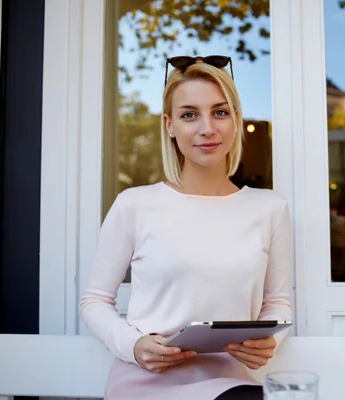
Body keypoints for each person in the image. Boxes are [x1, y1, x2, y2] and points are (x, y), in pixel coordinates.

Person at [79, 55, 292, 400]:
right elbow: (95, 301)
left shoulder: (269, 208)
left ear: (236, 120)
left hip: (232, 385)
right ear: (169, 124)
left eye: (220, 112)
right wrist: (134, 346)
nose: (207, 128)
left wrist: (270, 341)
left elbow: (277, 304)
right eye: (189, 114)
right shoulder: (134, 205)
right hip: (147, 383)